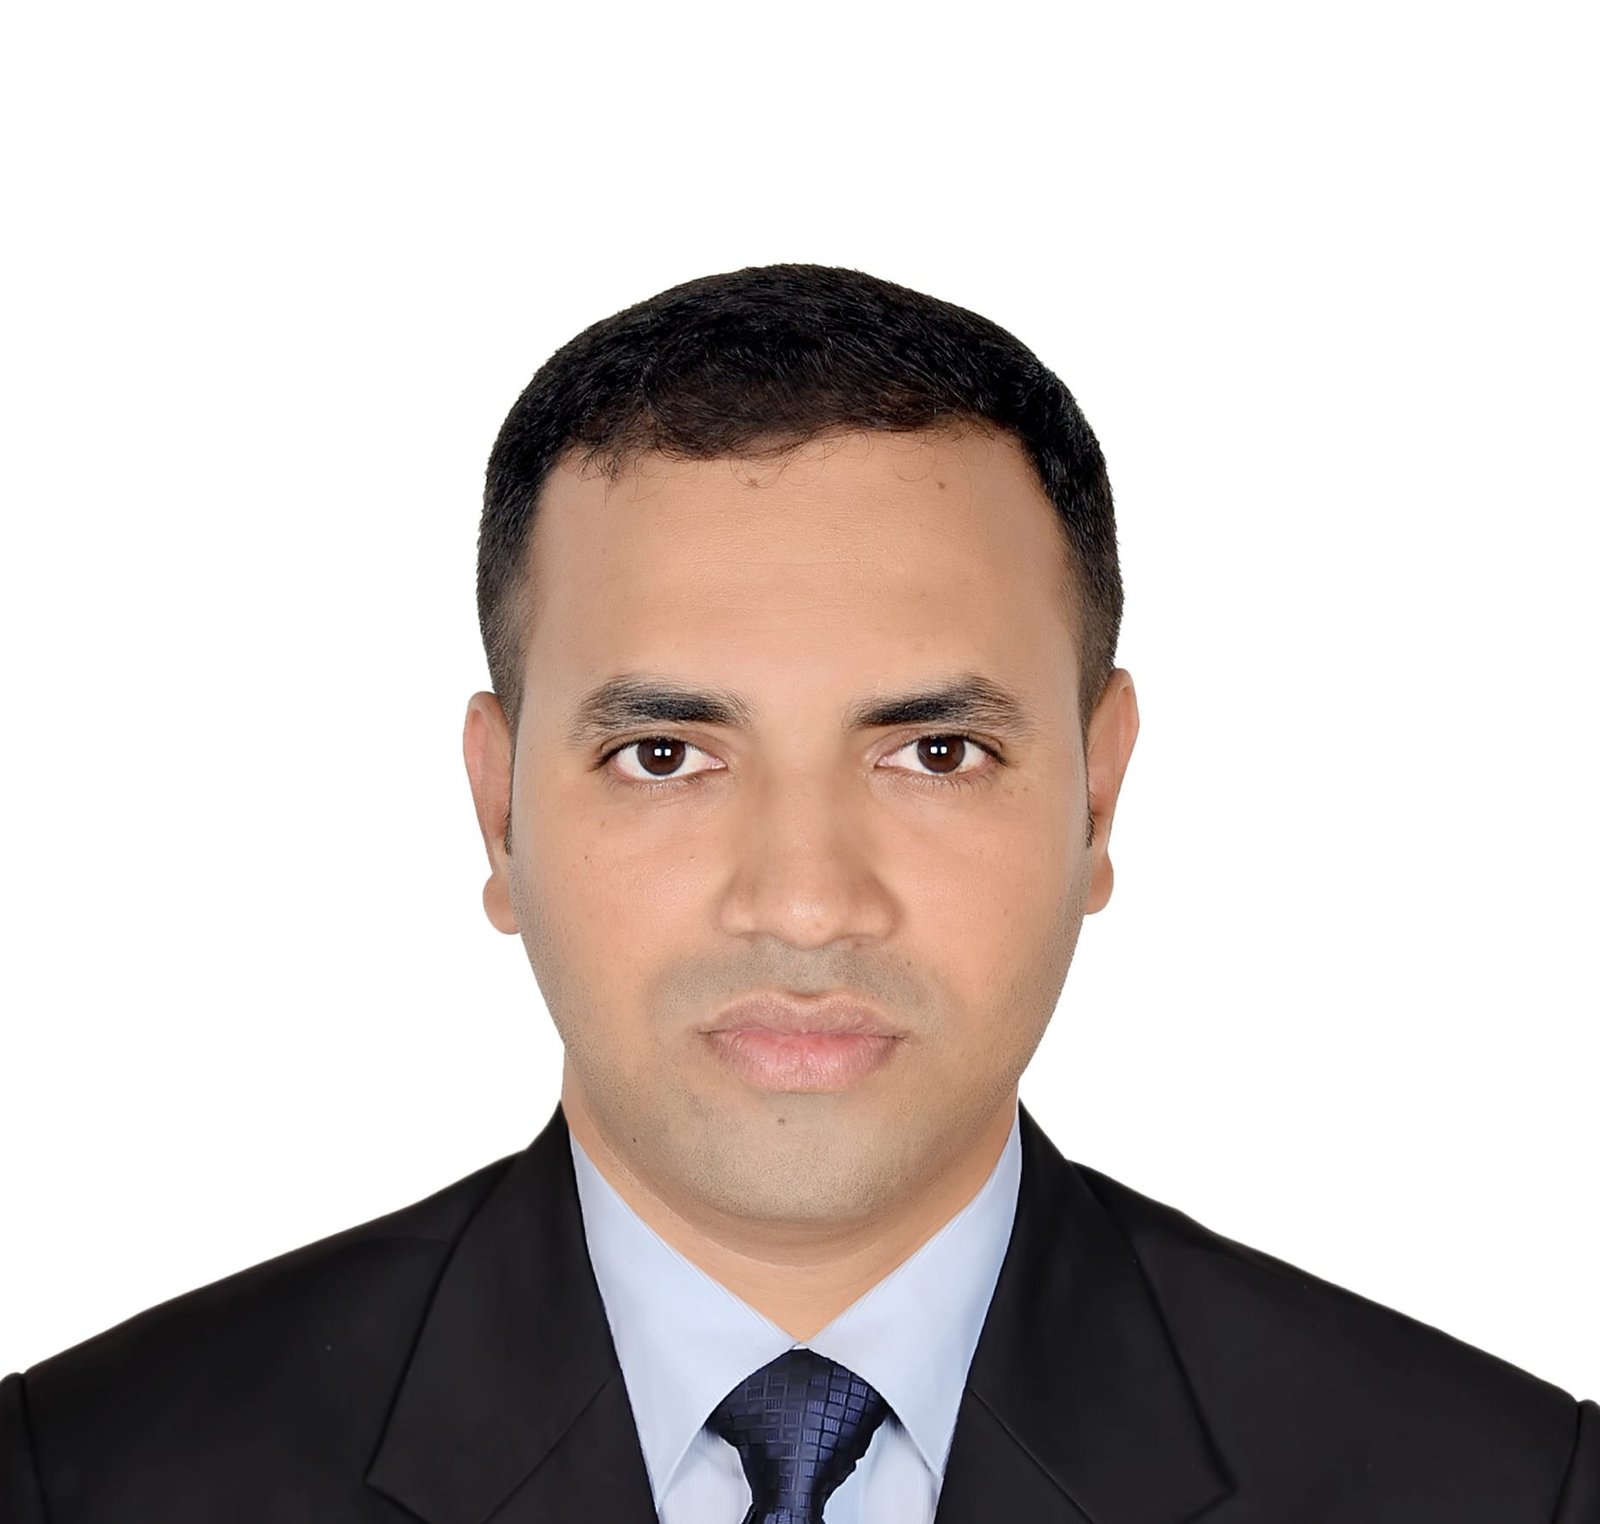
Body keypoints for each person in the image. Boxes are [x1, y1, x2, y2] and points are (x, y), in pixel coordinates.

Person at [2, 263, 1593, 1524]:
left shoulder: (1505, 1491)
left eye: (938, 753)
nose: (809, 905)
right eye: (665, 757)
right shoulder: (84, 1481)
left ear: (1099, 794)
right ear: (498, 810)